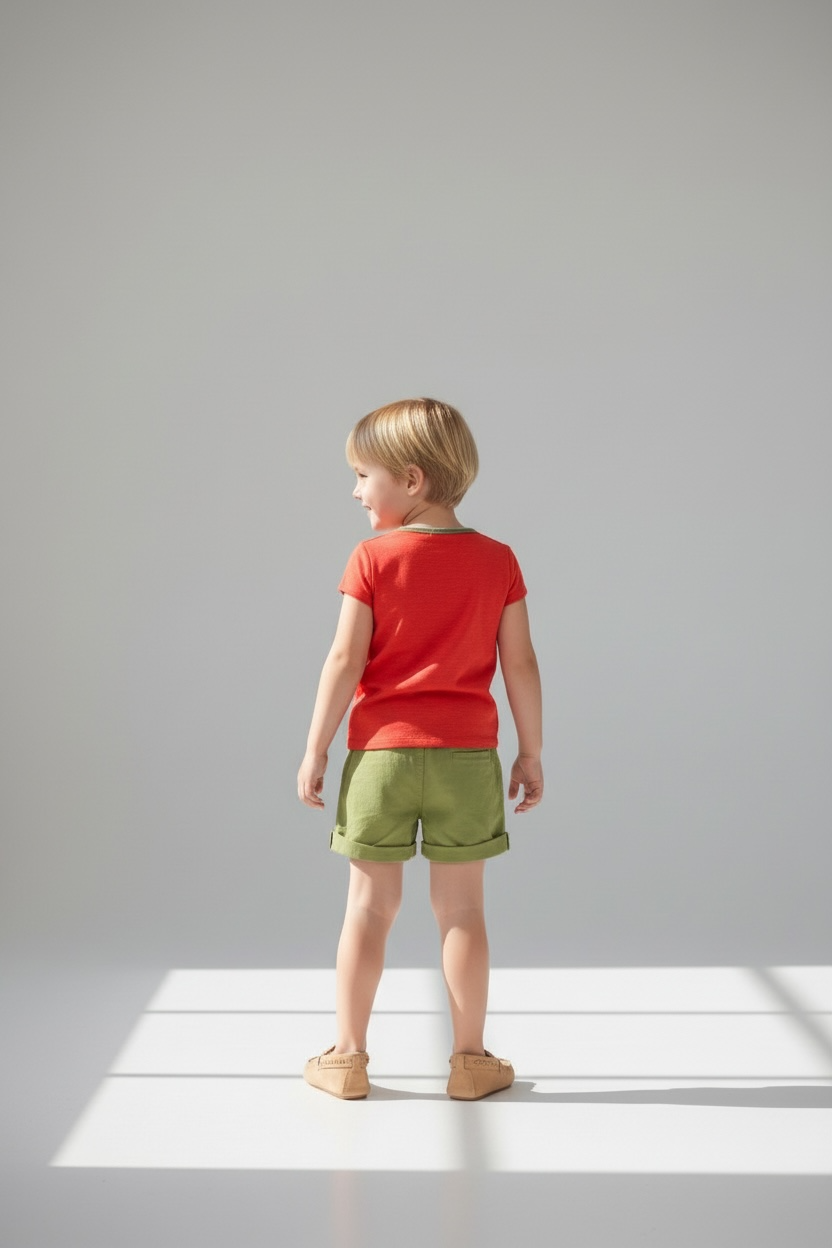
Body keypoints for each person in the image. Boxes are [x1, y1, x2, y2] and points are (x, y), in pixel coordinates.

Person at [297, 398, 543, 1101]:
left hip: (381, 757)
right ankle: (470, 1061)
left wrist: (316, 747)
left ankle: (348, 1058)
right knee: (462, 912)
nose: (355, 491)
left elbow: (344, 658)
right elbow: (520, 664)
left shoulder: (372, 559)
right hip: (468, 759)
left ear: (411, 479)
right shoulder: (498, 560)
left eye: (362, 475)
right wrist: (530, 752)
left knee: (368, 909)